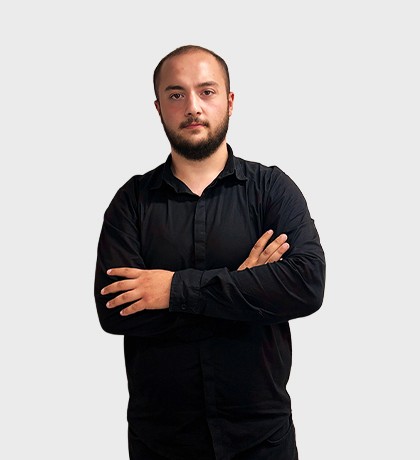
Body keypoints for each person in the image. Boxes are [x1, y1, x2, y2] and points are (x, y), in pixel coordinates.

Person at [94, 44, 326, 460]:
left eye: (207, 91)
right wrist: (244, 288)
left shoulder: (271, 189)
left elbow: (306, 286)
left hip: (261, 439)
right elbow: (115, 312)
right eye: (176, 94)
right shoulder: (131, 202)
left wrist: (172, 290)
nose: (193, 106)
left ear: (229, 101)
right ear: (159, 108)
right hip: (161, 442)